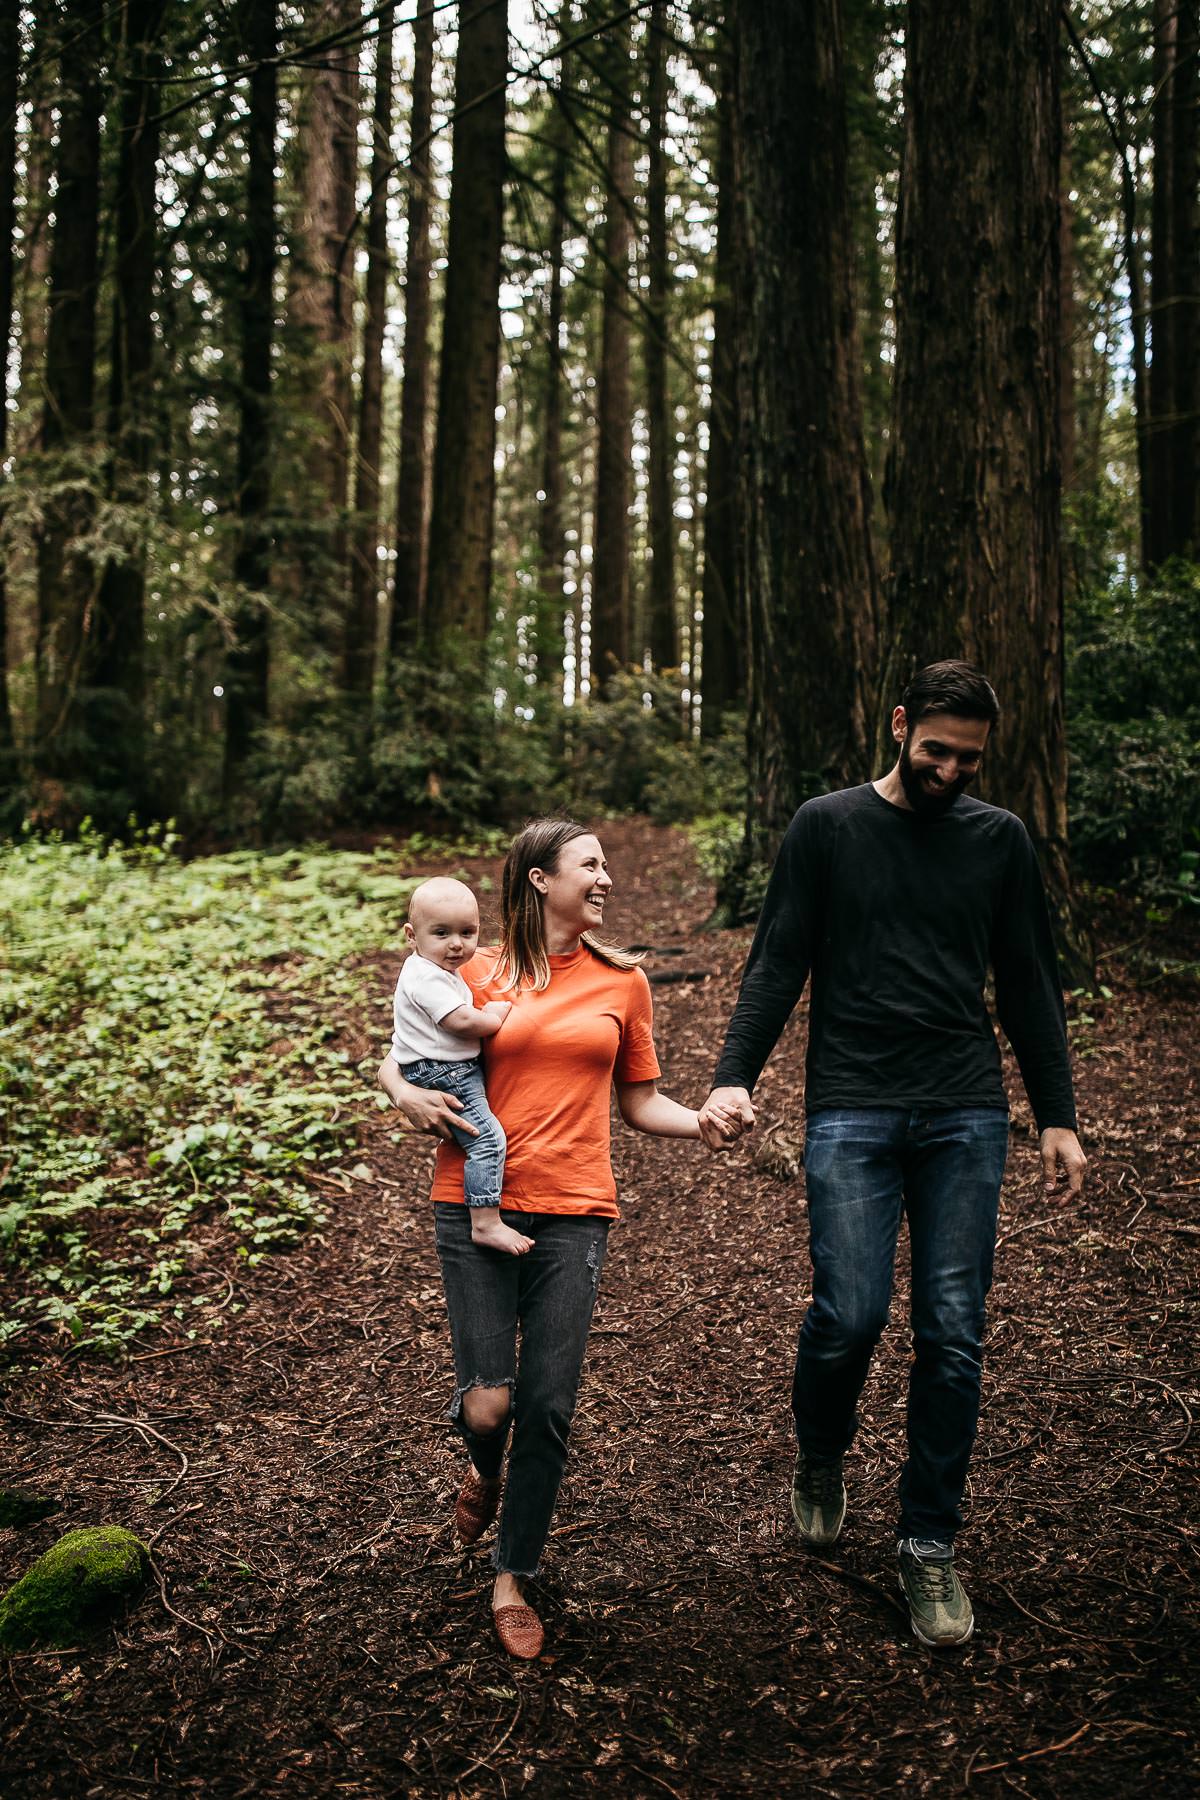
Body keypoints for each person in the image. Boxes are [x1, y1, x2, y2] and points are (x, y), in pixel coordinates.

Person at [698, 660, 1086, 1650]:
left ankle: (926, 1543)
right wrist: (735, 1074)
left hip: (963, 1110)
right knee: (851, 1312)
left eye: (971, 759)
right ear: (900, 724)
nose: (953, 771)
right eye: (937, 751)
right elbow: (779, 954)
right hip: (852, 1110)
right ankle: (821, 1454)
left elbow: (1029, 980)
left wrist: (1056, 1113)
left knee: (954, 1330)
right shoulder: (827, 826)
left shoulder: (998, 840)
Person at [379, 818, 735, 1661]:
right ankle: (484, 1468)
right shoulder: (477, 965)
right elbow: (402, 1048)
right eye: (590, 865)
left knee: (548, 1403)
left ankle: (512, 1575)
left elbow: (643, 1103)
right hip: (472, 1202)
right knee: (488, 1402)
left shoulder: (625, 983)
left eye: (608, 865)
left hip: (576, 1209)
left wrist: (705, 1122)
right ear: (540, 880)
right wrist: (397, 1090)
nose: (606, 878)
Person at [387, 876, 532, 1256]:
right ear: (411, 935)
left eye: (468, 932)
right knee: (487, 1139)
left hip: (443, 1067)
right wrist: (494, 1015)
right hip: (445, 1071)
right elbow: (461, 1021)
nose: (457, 944)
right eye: (441, 933)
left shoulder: (437, 969)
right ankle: (484, 1222)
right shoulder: (425, 976)